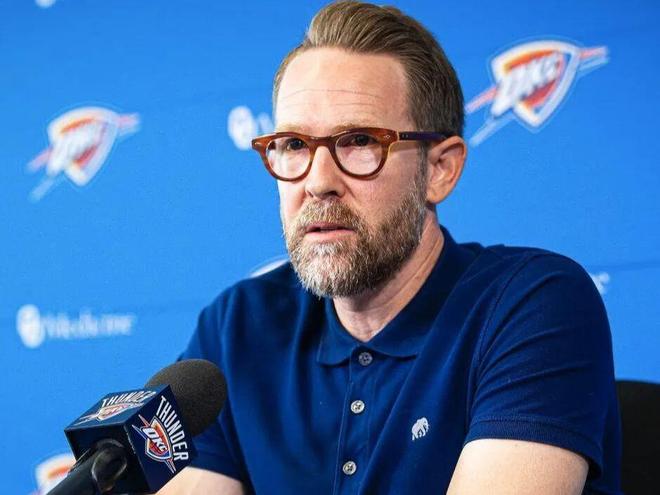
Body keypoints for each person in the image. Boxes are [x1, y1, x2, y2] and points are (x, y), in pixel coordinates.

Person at [160, 1, 621, 493]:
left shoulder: (532, 304)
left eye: (360, 141)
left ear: (440, 169)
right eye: (294, 144)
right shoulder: (235, 327)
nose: (318, 182)